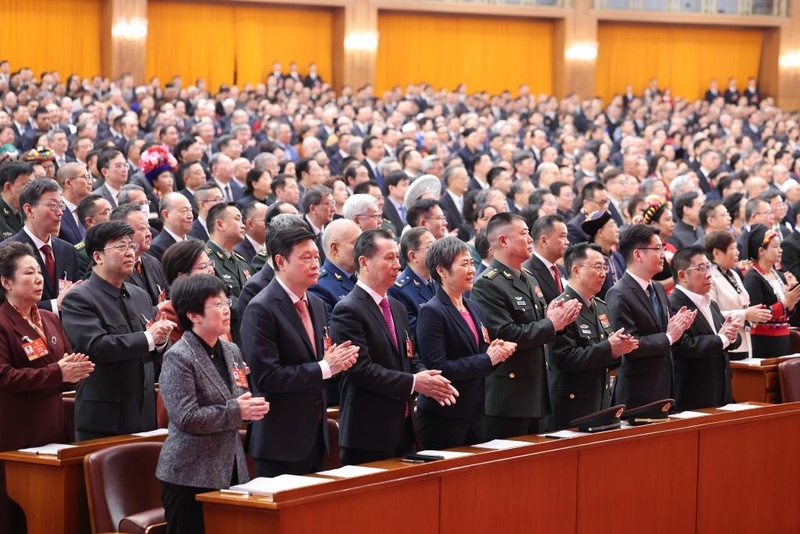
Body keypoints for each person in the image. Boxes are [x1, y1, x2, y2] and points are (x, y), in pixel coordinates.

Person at [330, 229, 458, 465]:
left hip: (403, 427)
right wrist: (414, 382)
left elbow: (410, 355)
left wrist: (423, 373)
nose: (397, 266)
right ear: (364, 262)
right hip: (368, 433)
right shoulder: (348, 309)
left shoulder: (397, 308)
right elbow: (361, 370)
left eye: (397, 258)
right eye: (389, 258)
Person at [156, 274, 270, 534]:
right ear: (194, 315)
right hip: (189, 471)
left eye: (226, 302)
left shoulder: (231, 350)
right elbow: (186, 417)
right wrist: (237, 410)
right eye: (217, 304)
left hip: (229, 466)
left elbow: (240, 395)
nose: (226, 309)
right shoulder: (179, 357)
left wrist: (251, 409)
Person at [242, 225, 359, 476]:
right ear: (281, 261)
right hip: (280, 440)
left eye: (317, 257)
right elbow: (266, 377)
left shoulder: (316, 303)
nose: (315, 264)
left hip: (316, 436)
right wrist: (325, 367)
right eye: (306, 258)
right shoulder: (261, 308)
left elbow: (321, 363)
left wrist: (337, 365)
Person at [0, 243, 94, 534]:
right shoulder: (2, 323)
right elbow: (4, 376)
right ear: (6, 282)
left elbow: (64, 364)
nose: (39, 278)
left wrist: (76, 373)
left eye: (39, 272)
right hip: (16, 432)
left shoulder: (51, 318)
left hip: (54, 427)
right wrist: (58, 373)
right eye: (29, 273)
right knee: (14, 511)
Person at [61, 221, 176, 440]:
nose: (130, 252)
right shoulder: (79, 298)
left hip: (143, 411)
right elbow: (96, 346)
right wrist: (149, 338)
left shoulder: (140, 295)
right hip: (105, 418)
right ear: (97, 257)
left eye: (131, 246)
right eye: (120, 247)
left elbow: (152, 348)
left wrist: (161, 342)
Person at [472, 213, 581, 438]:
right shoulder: (487, 284)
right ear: (503, 241)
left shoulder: (529, 277)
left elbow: (538, 323)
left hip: (537, 392)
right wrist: (551, 324)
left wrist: (554, 318)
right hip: (510, 398)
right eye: (523, 233)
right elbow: (505, 334)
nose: (530, 239)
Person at [416, 237, 516, 449]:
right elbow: (439, 368)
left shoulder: (473, 307)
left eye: (472, 263)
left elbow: (481, 355)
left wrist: (496, 354)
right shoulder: (432, 311)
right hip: (445, 414)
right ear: (442, 271)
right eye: (464, 264)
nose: (471, 269)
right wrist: (487, 358)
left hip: (476, 410)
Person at [605, 224, 695, 409]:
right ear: (638, 255)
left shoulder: (658, 289)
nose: (663, 253)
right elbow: (630, 345)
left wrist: (679, 328)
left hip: (665, 385)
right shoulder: (618, 293)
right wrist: (669, 336)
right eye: (657, 248)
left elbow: (667, 333)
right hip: (638, 391)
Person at [549, 243, 637, 429]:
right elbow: (564, 358)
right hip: (573, 405)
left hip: (601, 401)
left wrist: (617, 352)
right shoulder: (561, 307)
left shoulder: (601, 306)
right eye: (597, 267)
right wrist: (609, 348)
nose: (603, 273)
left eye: (604, 267)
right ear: (576, 270)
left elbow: (608, 359)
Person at [669, 246, 741, 411]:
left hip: (721, 392)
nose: (708, 274)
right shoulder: (673, 304)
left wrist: (732, 334)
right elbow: (682, 346)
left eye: (708, 267)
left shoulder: (710, 303)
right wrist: (722, 338)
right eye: (701, 268)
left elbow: (726, 338)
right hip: (693, 396)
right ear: (682, 275)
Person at [0, 179, 81, 312]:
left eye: (61, 206)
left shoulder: (67, 250)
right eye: (52, 205)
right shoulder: (6, 251)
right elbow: (5, 306)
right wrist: (54, 305)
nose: (60, 212)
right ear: (29, 210)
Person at [705, 230, 771, 360]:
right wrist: (745, 314)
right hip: (727, 342)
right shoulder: (709, 277)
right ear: (716, 252)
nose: (738, 252)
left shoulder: (734, 274)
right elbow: (712, 313)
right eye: (733, 248)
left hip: (745, 339)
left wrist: (753, 314)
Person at [743, 224, 800, 357]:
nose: (780, 250)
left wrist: (791, 304)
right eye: (775, 246)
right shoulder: (753, 279)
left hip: (783, 340)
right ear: (761, 251)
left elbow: (786, 312)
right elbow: (757, 314)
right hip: (763, 344)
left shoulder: (780, 276)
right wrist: (785, 304)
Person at [158, 240, 219, 343]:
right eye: (203, 267)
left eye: (210, 264)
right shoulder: (171, 313)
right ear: (182, 276)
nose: (211, 271)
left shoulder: (215, 302)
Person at [388, 227, 436, 333]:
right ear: (413, 256)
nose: (437, 251)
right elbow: (413, 331)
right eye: (431, 247)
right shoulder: (398, 290)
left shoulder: (439, 281)